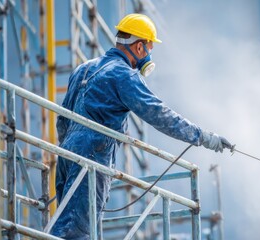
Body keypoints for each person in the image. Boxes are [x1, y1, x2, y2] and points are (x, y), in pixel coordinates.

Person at [52, 13, 232, 239]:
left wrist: (70, 148)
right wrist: (204, 137)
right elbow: (160, 114)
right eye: (149, 48)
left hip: (67, 153)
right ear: (139, 48)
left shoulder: (83, 69)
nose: (148, 55)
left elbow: (62, 120)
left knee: (66, 224)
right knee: (76, 232)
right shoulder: (123, 75)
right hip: (92, 154)